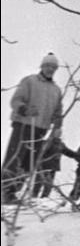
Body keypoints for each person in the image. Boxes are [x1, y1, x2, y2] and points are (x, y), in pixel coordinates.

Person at [2, 53, 63, 204]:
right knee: (14, 158)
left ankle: (13, 193)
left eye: (53, 67)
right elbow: (15, 101)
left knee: (28, 164)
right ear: (42, 66)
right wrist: (25, 109)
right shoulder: (29, 81)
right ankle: (5, 191)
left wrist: (58, 125)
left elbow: (58, 112)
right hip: (23, 126)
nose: (50, 69)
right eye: (48, 66)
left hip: (41, 130)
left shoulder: (56, 90)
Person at [31, 133, 80, 199]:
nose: (58, 134)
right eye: (57, 132)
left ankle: (43, 199)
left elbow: (68, 152)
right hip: (43, 166)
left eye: (59, 133)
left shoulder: (61, 145)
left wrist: (77, 155)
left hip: (53, 167)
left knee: (48, 186)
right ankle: (33, 197)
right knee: (38, 183)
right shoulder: (47, 142)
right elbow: (39, 151)